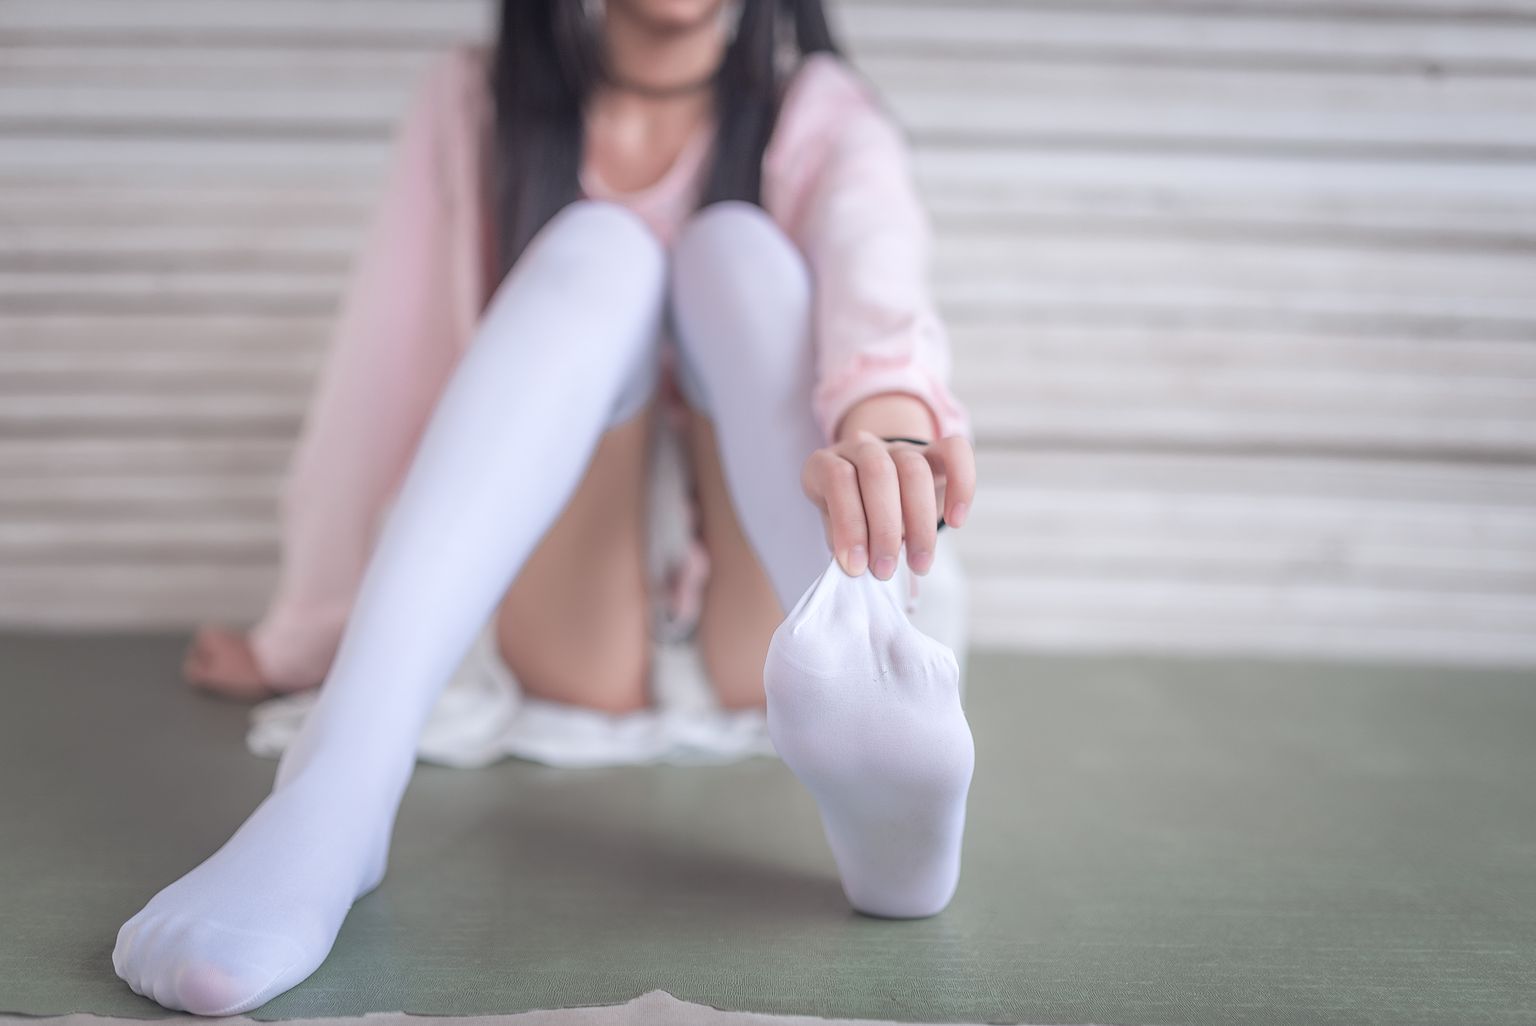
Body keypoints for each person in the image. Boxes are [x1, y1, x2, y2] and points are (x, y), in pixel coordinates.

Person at [113, 0, 978, 1014]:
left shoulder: (820, 113)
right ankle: (336, 788)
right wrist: (302, 633)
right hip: (576, 626)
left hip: (780, 620)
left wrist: (889, 439)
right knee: (599, 250)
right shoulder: (476, 104)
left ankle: (868, 676)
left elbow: (878, 282)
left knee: (735, 252)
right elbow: (386, 376)